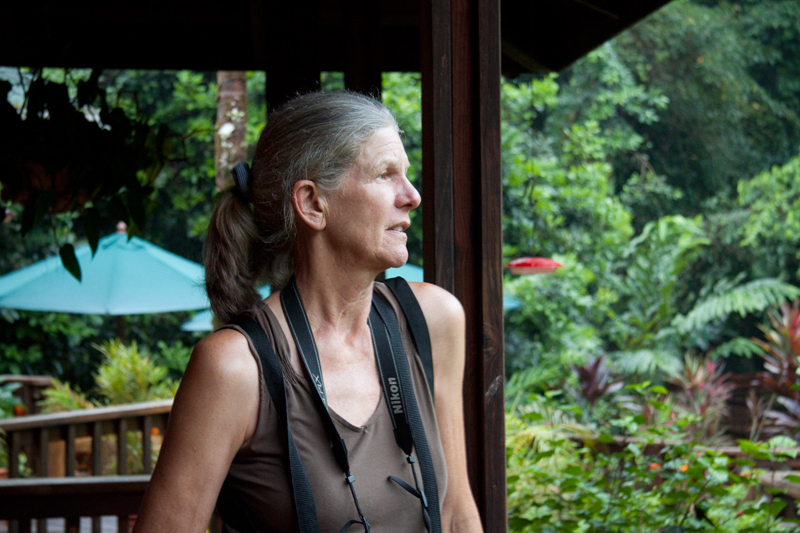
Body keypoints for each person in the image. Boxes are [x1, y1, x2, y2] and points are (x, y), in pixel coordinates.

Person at [133, 92, 483, 532]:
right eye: (385, 174)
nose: (411, 196)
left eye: (406, 176)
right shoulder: (235, 368)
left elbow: (455, 514)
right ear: (313, 204)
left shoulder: (433, 319)